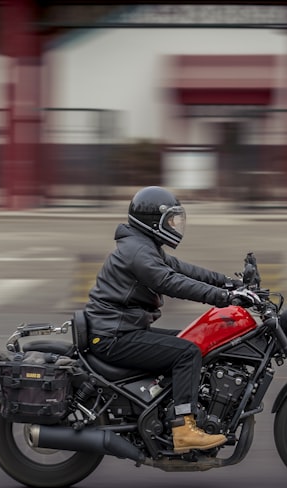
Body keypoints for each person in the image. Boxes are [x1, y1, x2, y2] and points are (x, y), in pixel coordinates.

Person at [83, 186, 257, 453]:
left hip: (122, 330)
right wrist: (225, 298)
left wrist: (229, 284)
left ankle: (169, 407)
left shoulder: (143, 246)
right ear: (154, 221)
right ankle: (183, 428)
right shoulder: (138, 252)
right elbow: (170, 282)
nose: (175, 226)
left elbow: (183, 269)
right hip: (113, 337)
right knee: (187, 352)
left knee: (192, 338)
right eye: (170, 220)